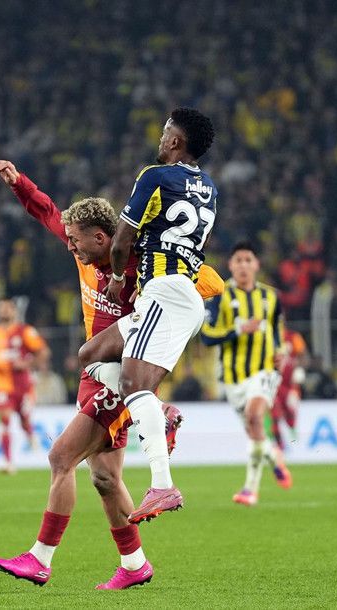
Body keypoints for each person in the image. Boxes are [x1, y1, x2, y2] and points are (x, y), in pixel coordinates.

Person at [0, 159, 222, 589]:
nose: (70, 248)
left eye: (76, 241)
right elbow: (46, 211)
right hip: (97, 374)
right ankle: (134, 565)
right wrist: (19, 182)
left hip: (120, 373)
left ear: (101, 237)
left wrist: (186, 286)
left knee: (61, 458)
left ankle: (40, 558)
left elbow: (207, 280)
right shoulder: (85, 252)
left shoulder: (143, 262)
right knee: (104, 478)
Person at [78, 107, 217, 524]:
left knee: (132, 384)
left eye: (164, 132)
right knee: (90, 355)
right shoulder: (210, 188)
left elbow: (122, 240)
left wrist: (119, 278)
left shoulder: (154, 176)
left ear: (175, 141)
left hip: (165, 293)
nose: (160, 138)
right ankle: (161, 411)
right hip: (178, 292)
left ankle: (162, 485)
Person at [199, 242, 292, 506]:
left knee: (254, 416)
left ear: (256, 265)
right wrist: (238, 330)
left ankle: (250, 490)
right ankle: (273, 455)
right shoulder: (219, 295)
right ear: (230, 265)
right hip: (232, 377)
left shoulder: (270, 297)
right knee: (254, 430)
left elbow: (278, 333)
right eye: (238, 260)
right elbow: (206, 336)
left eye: (248, 260)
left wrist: (282, 352)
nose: (243, 265)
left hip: (264, 371)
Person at [0, 299, 50, 474]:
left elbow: (44, 352)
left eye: (7, 308)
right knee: (4, 420)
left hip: (23, 387)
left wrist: (27, 364)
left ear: (14, 311)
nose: (4, 311)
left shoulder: (25, 331)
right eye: (1, 308)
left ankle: (30, 435)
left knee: (24, 421)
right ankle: (7, 462)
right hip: (2, 385)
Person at [270, 328, 307, 450]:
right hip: (273, 385)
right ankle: (279, 445)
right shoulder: (267, 336)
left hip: (290, 385)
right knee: (274, 415)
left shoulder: (293, 337)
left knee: (290, 412)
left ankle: (293, 434)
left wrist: (299, 369)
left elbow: (303, 355)